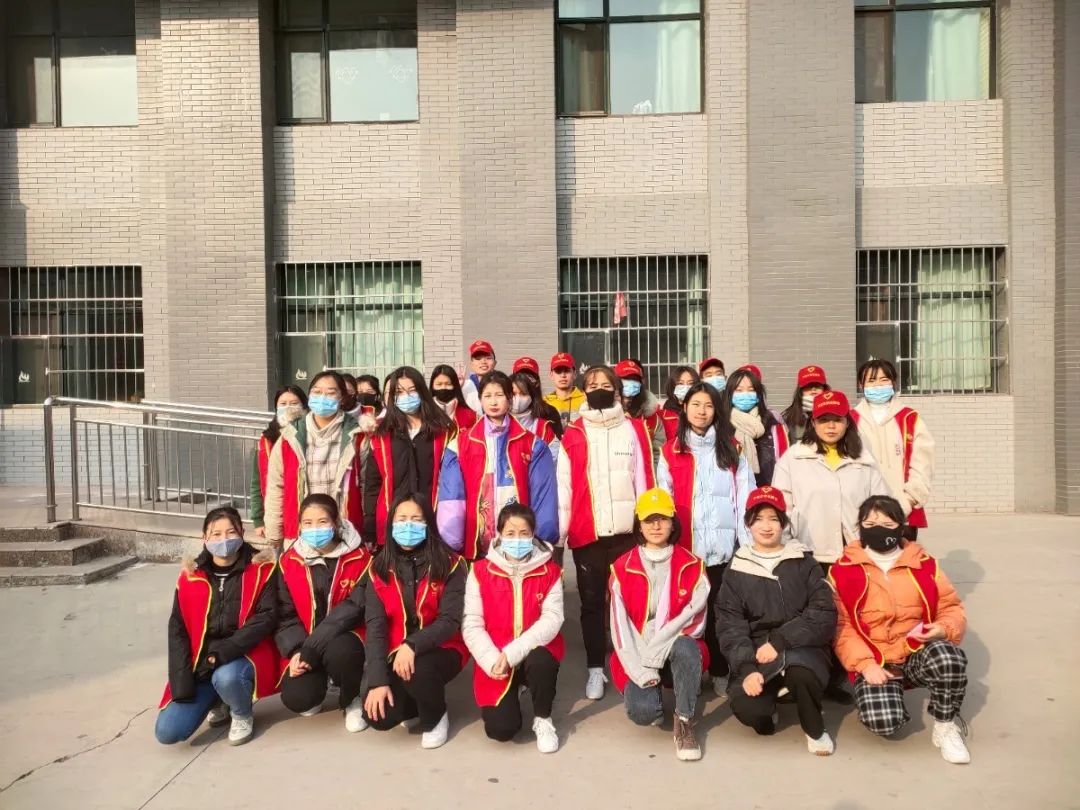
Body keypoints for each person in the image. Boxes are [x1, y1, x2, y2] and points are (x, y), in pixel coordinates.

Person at [830, 495, 970, 764]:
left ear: (901, 526)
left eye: (887, 523)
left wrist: (943, 629)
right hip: (876, 660)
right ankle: (888, 697)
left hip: (916, 650)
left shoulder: (925, 564)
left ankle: (945, 724)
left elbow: (951, 607)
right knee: (885, 722)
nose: (878, 528)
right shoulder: (842, 570)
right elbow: (841, 626)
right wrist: (865, 664)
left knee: (948, 658)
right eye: (870, 523)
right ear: (859, 526)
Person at [715, 487, 838, 755]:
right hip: (756, 651)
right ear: (748, 523)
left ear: (783, 523)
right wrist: (747, 667)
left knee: (802, 673)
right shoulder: (737, 568)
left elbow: (823, 612)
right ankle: (771, 702)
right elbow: (730, 625)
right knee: (750, 709)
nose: (766, 526)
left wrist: (781, 641)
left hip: (801, 645)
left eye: (773, 518)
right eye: (758, 519)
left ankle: (815, 728)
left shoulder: (803, 561)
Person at [558, 365, 655, 699]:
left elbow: (644, 479)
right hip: (588, 534)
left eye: (605, 383)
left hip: (627, 533)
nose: (598, 388)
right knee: (592, 603)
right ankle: (595, 669)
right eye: (592, 384)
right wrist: (560, 536)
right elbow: (564, 487)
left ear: (616, 390)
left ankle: (631, 662)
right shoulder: (574, 433)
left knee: (630, 601)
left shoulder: (634, 429)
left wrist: (647, 527)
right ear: (584, 390)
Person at [657, 381, 752, 697]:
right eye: (696, 404)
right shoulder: (671, 451)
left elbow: (745, 498)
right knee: (689, 615)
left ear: (717, 411)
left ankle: (721, 671)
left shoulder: (732, 449)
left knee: (720, 615)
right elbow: (665, 501)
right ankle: (692, 672)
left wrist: (745, 545)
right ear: (684, 408)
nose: (702, 411)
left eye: (709, 405)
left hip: (724, 551)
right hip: (687, 552)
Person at [155, 507, 278, 747]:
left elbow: (266, 619)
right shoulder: (191, 577)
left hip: (243, 655)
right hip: (203, 665)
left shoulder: (262, 570)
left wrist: (222, 653)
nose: (224, 540)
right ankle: (219, 700)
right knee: (168, 732)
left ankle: (241, 712)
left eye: (231, 532)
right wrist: (182, 685)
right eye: (216, 534)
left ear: (242, 533)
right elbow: (177, 631)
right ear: (204, 538)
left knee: (227, 677)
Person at [609, 489, 709, 762]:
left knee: (688, 646)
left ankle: (684, 720)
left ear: (673, 523)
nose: (656, 526)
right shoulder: (621, 567)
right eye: (648, 520)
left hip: (675, 643)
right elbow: (620, 627)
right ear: (639, 525)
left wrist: (658, 645)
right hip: (638, 650)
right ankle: (650, 690)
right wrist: (641, 667)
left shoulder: (693, 565)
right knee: (643, 712)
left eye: (662, 519)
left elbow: (695, 620)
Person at [362, 493, 468, 749]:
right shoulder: (378, 568)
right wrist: (377, 681)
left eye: (416, 519)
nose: (408, 526)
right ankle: (414, 702)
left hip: (443, 647)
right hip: (396, 653)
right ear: (391, 523)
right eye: (402, 519)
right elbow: (376, 628)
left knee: (420, 670)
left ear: (428, 524)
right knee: (379, 717)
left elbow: (450, 620)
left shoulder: (451, 564)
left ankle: (436, 716)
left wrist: (412, 645)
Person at [463, 503, 564, 753]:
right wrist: (491, 659)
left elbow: (552, 618)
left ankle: (543, 718)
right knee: (501, 730)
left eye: (524, 533)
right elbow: (472, 623)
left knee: (541, 661)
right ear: (499, 534)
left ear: (533, 534)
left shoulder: (550, 571)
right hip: (496, 655)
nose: (517, 539)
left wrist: (514, 653)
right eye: (510, 533)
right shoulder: (479, 571)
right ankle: (515, 687)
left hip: (531, 650)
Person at [437, 371, 558, 560]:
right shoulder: (459, 445)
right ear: (480, 400)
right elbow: (452, 496)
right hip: (477, 543)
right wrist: (452, 538)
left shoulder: (533, 444)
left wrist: (543, 537)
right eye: (487, 396)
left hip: (519, 543)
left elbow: (543, 494)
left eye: (499, 395)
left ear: (510, 398)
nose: (493, 402)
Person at [275, 494, 370, 732]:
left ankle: (352, 698)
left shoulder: (361, 559)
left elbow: (355, 607)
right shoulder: (289, 562)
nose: (315, 529)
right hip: (306, 641)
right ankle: (319, 684)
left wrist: (312, 647)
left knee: (343, 653)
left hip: (346, 638)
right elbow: (285, 615)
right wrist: (297, 650)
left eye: (322, 521)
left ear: (336, 523)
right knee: (298, 699)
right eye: (307, 523)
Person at [771, 391, 891, 566]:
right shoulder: (793, 458)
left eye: (837, 420)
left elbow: (882, 506)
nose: (831, 426)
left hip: (857, 554)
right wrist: (788, 547)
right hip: (809, 554)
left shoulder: (863, 459)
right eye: (824, 420)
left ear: (847, 422)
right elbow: (782, 509)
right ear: (813, 423)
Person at [263, 371, 366, 550]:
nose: (322, 397)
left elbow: (367, 487)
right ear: (309, 396)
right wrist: (274, 531)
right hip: (300, 533)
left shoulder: (358, 436)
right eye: (317, 392)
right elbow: (276, 486)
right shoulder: (289, 436)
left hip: (345, 532)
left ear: (342, 398)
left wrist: (368, 531)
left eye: (330, 392)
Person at [363, 366, 456, 546]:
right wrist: (370, 524)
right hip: (393, 519)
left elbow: (453, 481)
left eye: (412, 390)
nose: (406, 396)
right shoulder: (381, 433)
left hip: (434, 516)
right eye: (399, 392)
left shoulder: (444, 432)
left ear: (422, 392)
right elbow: (372, 484)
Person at [851, 359, 935, 538]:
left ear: (893, 382)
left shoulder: (909, 418)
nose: (878, 385)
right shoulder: (850, 420)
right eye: (871, 380)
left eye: (884, 380)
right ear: (861, 384)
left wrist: (905, 503)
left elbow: (922, 467)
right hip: (861, 514)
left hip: (903, 512)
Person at [249, 385, 307, 544]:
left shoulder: (309, 435)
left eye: (294, 403)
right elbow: (256, 483)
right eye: (283, 404)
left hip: (305, 511)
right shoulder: (266, 441)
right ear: (276, 408)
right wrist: (258, 519)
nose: (288, 408)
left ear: (304, 406)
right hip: (275, 512)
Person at [722, 366, 789, 487]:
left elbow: (785, 464)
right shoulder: (721, 426)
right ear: (730, 395)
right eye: (739, 390)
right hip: (735, 493)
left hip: (768, 492)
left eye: (751, 390)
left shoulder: (773, 425)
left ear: (758, 395)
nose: (745, 394)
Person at [615, 358, 666, 458]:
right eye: (626, 379)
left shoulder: (653, 419)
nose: (630, 383)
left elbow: (658, 454)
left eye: (635, 380)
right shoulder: (606, 413)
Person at [510, 369, 561, 456]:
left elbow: (554, 456)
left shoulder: (543, 428)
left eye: (523, 394)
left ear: (531, 396)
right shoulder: (495, 424)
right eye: (513, 394)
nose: (518, 398)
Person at [511, 357, 565, 439]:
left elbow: (556, 443)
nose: (525, 380)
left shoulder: (549, 412)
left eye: (530, 377)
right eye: (520, 376)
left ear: (537, 383)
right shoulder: (502, 411)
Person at [780, 365, 830, 443]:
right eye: (808, 386)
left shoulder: (837, 414)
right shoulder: (788, 417)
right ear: (800, 391)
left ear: (824, 389)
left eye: (817, 385)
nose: (813, 390)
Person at [430, 363, 478, 432]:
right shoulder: (425, 414)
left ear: (455, 386)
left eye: (448, 384)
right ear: (432, 386)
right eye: (439, 384)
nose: (443, 387)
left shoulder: (470, 415)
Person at [544, 352, 585, 428]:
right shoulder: (544, 402)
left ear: (575, 374)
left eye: (567, 371)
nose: (563, 375)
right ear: (551, 375)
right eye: (558, 371)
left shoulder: (585, 400)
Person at [658, 365, 699, 442]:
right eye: (680, 383)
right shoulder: (661, 416)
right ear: (672, 386)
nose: (686, 387)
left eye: (690, 383)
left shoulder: (702, 413)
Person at [461, 339, 497, 413]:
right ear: (471, 364)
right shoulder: (464, 386)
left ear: (494, 363)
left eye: (488, 358)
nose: (483, 362)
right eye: (478, 359)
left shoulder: (503, 384)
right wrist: (456, 390)